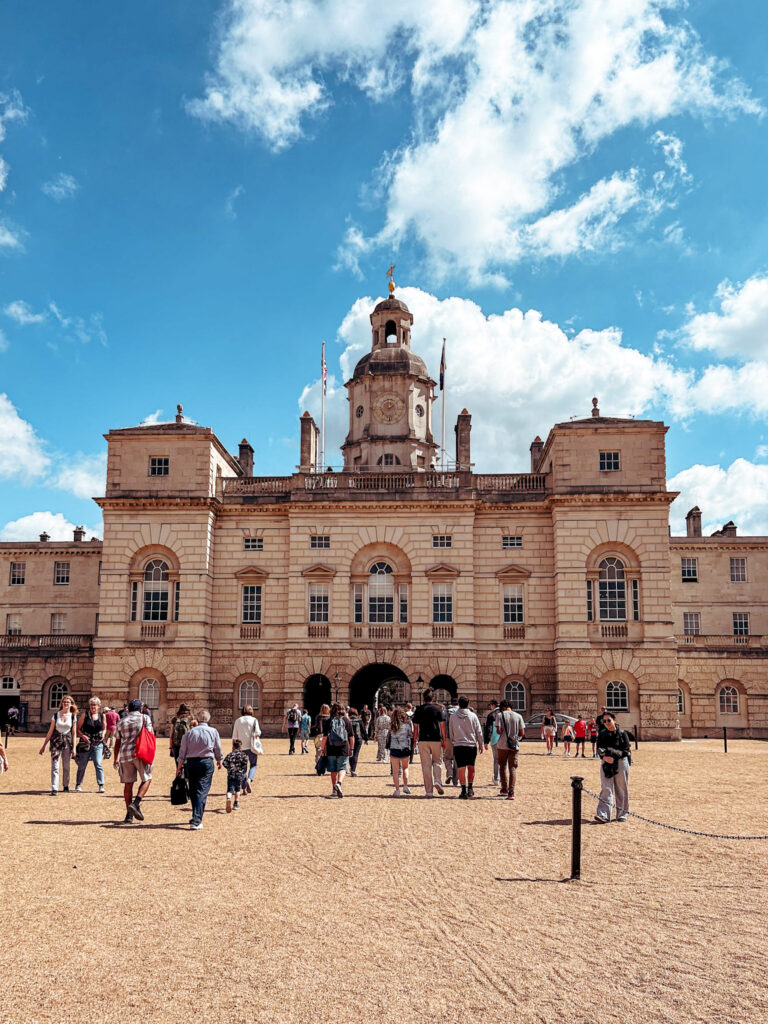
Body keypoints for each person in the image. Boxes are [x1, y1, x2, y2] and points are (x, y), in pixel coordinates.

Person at [176, 710, 223, 830]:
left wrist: (179, 765)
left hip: (191, 763)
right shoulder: (213, 731)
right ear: (208, 719)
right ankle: (197, 820)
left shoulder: (190, 732)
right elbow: (217, 747)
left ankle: (195, 817)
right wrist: (219, 760)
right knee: (202, 790)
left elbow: (183, 750)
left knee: (193, 790)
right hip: (206, 762)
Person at [114, 698, 154, 824]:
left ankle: (128, 815)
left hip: (125, 754)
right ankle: (136, 803)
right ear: (140, 708)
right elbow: (150, 733)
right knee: (147, 778)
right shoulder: (144, 718)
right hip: (140, 752)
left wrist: (116, 758)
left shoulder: (121, 722)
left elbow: (117, 741)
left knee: (128, 784)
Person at [595, 712, 631, 823]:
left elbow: (626, 751)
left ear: (614, 720)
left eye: (609, 720)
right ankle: (604, 815)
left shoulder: (622, 733)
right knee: (606, 788)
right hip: (606, 763)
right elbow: (599, 748)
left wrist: (612, 755)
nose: (606, 723)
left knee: (621, 788)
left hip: (621, 762)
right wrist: (604, 757)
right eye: (604, 721)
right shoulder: (602, 734)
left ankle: (622, 814)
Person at [39, 694, 78, 795]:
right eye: (64, 702)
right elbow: (50, 731)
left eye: (68, 702)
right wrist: (44, 745)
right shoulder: (56, 715)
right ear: (62, 704)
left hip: (67, 743)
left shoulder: (73, 717)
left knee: (66, 765)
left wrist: (74, 748)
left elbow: (74, 733)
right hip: (56, 742)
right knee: (55, 765)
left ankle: (65, 785)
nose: (66, 704)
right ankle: (54, 788)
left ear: (71, 704)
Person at [447, 697, 484, 799]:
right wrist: (480, 743)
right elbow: (478, 730)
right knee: (471, 767)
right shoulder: (473, 716)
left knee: (461, 768)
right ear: (468, 704)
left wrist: (454, 741)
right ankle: (470, 788)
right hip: (471, 745)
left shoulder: (453, 716)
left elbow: (451, 731)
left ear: (459, 703)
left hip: (458, 745)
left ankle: (463, 790)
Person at [412, 688, 446, 797]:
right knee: (437, 762)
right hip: (436, 738)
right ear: (433, 698)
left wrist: (414, 740)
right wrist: (444, 740)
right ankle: (437, 780)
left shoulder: (419, 710)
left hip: (423, 739)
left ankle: (429, 791)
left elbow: (416, 727)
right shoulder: (438, 709)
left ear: (423, 698)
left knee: (426, 766)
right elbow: (442, 726)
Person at [321, 702, 353, 798]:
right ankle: (339, 783)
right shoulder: (346, 721)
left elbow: (325, 737)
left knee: (333, 770)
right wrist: (351, 748)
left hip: (331, 748)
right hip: (344, 748)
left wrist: (322, 748)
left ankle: (334, 791)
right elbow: (351, 737)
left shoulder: (328, 721)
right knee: (342, 768)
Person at [495, 699, 525, 799]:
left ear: (502, 707)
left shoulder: (500, 715)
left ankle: (504, 788)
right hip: (514, 745)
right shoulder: (518, 716)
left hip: (502, 744)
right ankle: (511, 792)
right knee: (512, 768)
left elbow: (498, 731)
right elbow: (522, 733)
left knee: (502, 766)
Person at [75, 696, 106, 793]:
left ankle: (101, 785)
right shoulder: (85, 715)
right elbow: (78, 729)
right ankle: (78, 784)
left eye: (95, 705)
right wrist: (83, 736)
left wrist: (103, 735)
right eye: (92, 705)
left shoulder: (102, 716)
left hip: (97, 743)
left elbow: (104, 728)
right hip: (86, 743)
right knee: (82, 764)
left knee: (98, 763)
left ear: (99, 706)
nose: (93, 707)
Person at [232, 704, 262, 791]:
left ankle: (244, 788)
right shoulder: (254, 720)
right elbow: (258, 733)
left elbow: (234, 736)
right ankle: (249, 779)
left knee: (242, 767)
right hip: (252, 746)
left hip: (240, 747)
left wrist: (233, 748)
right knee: (253, 765)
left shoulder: (238, 721)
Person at [387, 707, 414, 797]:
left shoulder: (392, 725)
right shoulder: (407, 725)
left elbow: (389, 736)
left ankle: (397, 790)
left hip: (394, 748)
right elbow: (411, 734)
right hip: (405, 748)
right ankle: (405, 786)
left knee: (395, 771)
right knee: (405, 768)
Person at [222, 739, 250, 813]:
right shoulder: (243, 755)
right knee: (237, 789)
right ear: (241, 747)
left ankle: (228, 799)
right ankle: (236, 803)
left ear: (233, 747)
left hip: (231, 774)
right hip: (239, 774)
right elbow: (245, 763)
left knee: (229, 789)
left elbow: (224, 763)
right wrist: (241, 768)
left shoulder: (230, 754)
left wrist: (229, 768)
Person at [443, 698, 459, 785]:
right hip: (458, 739)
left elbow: (442, 726)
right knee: (457, 759)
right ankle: (456, 780)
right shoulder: (460, 712)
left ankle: (449, 773)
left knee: (446, 758)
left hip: (448, 738)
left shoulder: (445, 712)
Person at [348, 707, 365, 777]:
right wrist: (366, 738)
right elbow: (363, 730)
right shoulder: (359, 720)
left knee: (349, 753)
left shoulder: (347, 720)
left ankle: (350, 766)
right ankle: (353, 769)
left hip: (349, 738)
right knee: (355, 754)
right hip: (358, 738)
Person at [314, 703, 331, 773]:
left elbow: (317, 727)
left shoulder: (318, 717)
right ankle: (325, 767)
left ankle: (319, 767)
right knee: (327, 753)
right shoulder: (330, 718)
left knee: (318, 753)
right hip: (328, 736)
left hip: (319, 736)